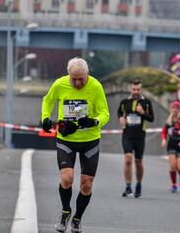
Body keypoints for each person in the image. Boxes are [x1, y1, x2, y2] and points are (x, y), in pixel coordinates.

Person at [41, 57, 110, 232]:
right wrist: (45, 119)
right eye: (74, 79)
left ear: (88, 74)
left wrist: (94, 122)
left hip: (89, 142)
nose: (78, 83)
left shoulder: (96, 87)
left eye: (81, 79)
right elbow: (47, 101)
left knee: (86, 185)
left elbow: (105, 114)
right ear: (69, 75)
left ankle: (77, 218)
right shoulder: (60, 84)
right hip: (66, 140)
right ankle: (65, 212)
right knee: (67, 178)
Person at [118, 79, 154, 198]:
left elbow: (151, 118)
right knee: (128, 159)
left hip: (140, 136)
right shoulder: (125, 102)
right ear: (130, 89)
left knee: (138, 162)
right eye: (134, 89)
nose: (136, 91)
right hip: (127, 135)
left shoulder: (146, 102)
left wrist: (143, 112)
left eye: (138, 89)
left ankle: (138, 185)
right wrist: (121, 119)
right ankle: (128, 186)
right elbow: (119, 112)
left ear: (141, 89)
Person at [161, 101, 180, 193]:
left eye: (176, 108)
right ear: (171, 110)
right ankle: (174, 185)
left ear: (179, 110)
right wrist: (163, 140)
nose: (175, 110)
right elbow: (163, 132)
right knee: (172, 166)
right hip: (171, 144)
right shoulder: (169, 121)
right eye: (173, 108)